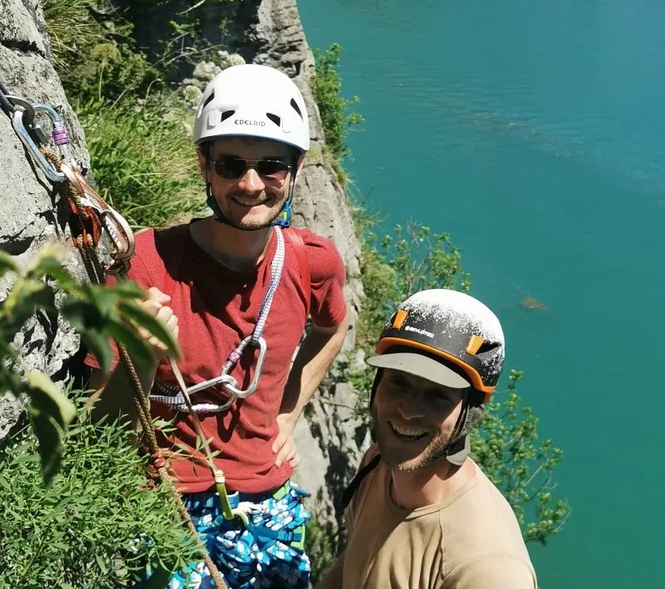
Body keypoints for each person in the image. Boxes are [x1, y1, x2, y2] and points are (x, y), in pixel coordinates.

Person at [86, 63, 349, 588]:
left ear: (294, 171)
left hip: (267, 495)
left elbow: (333, 328)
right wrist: (140, 353)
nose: (251, 185)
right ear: (205, 168)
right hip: (163, 501)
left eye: (271, 165)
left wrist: (288, 415)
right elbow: (99, 426)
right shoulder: (145, 264)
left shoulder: (312, 263)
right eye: (231, 164)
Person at [318, 289, 537, 589]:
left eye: (438, 396)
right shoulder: (378, 465)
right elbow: (351, 565)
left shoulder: (486, 569)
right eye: (398, 381)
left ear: (471, 412)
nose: (408, 411)